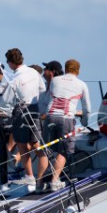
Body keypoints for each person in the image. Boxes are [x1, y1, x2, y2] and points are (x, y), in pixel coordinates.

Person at [38, 59, 91, 192]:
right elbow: (87, 108)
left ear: (66, 69)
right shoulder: (82, 85)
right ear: (78, 70)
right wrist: (84, 122)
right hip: (66, 118)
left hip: (50, 116)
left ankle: (39, 184)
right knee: (63, 150)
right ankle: (55, 181)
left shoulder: (55, 80)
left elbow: (48, 98)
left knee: (45, 149)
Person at [2, 48, 46, 188]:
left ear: (10, 63)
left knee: (22, 143)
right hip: (34, 108)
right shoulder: (34, 72)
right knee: (35, 143)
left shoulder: (15, 78)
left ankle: (29, 176)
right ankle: (41, 176)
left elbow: (6, 99)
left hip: (21, 110)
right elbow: (42, 89)